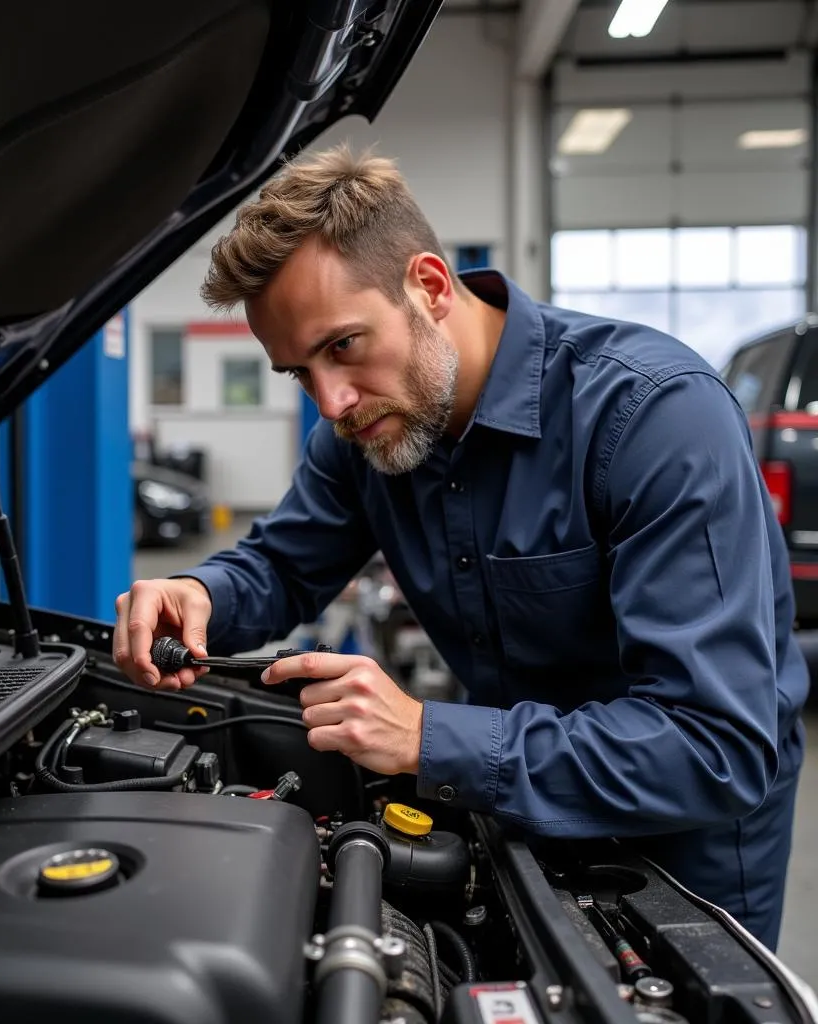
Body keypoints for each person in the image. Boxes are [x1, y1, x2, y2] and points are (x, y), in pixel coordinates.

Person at [113, 144, 808, 951]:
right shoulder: (363, 432)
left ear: (431, 288)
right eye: (298, 372)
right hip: (512, 819)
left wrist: (427, 736)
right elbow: (279, 564)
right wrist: (203, 593)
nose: (331, 401)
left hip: (681, 868)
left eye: (343, 345)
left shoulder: (652, 419)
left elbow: (711, 746)